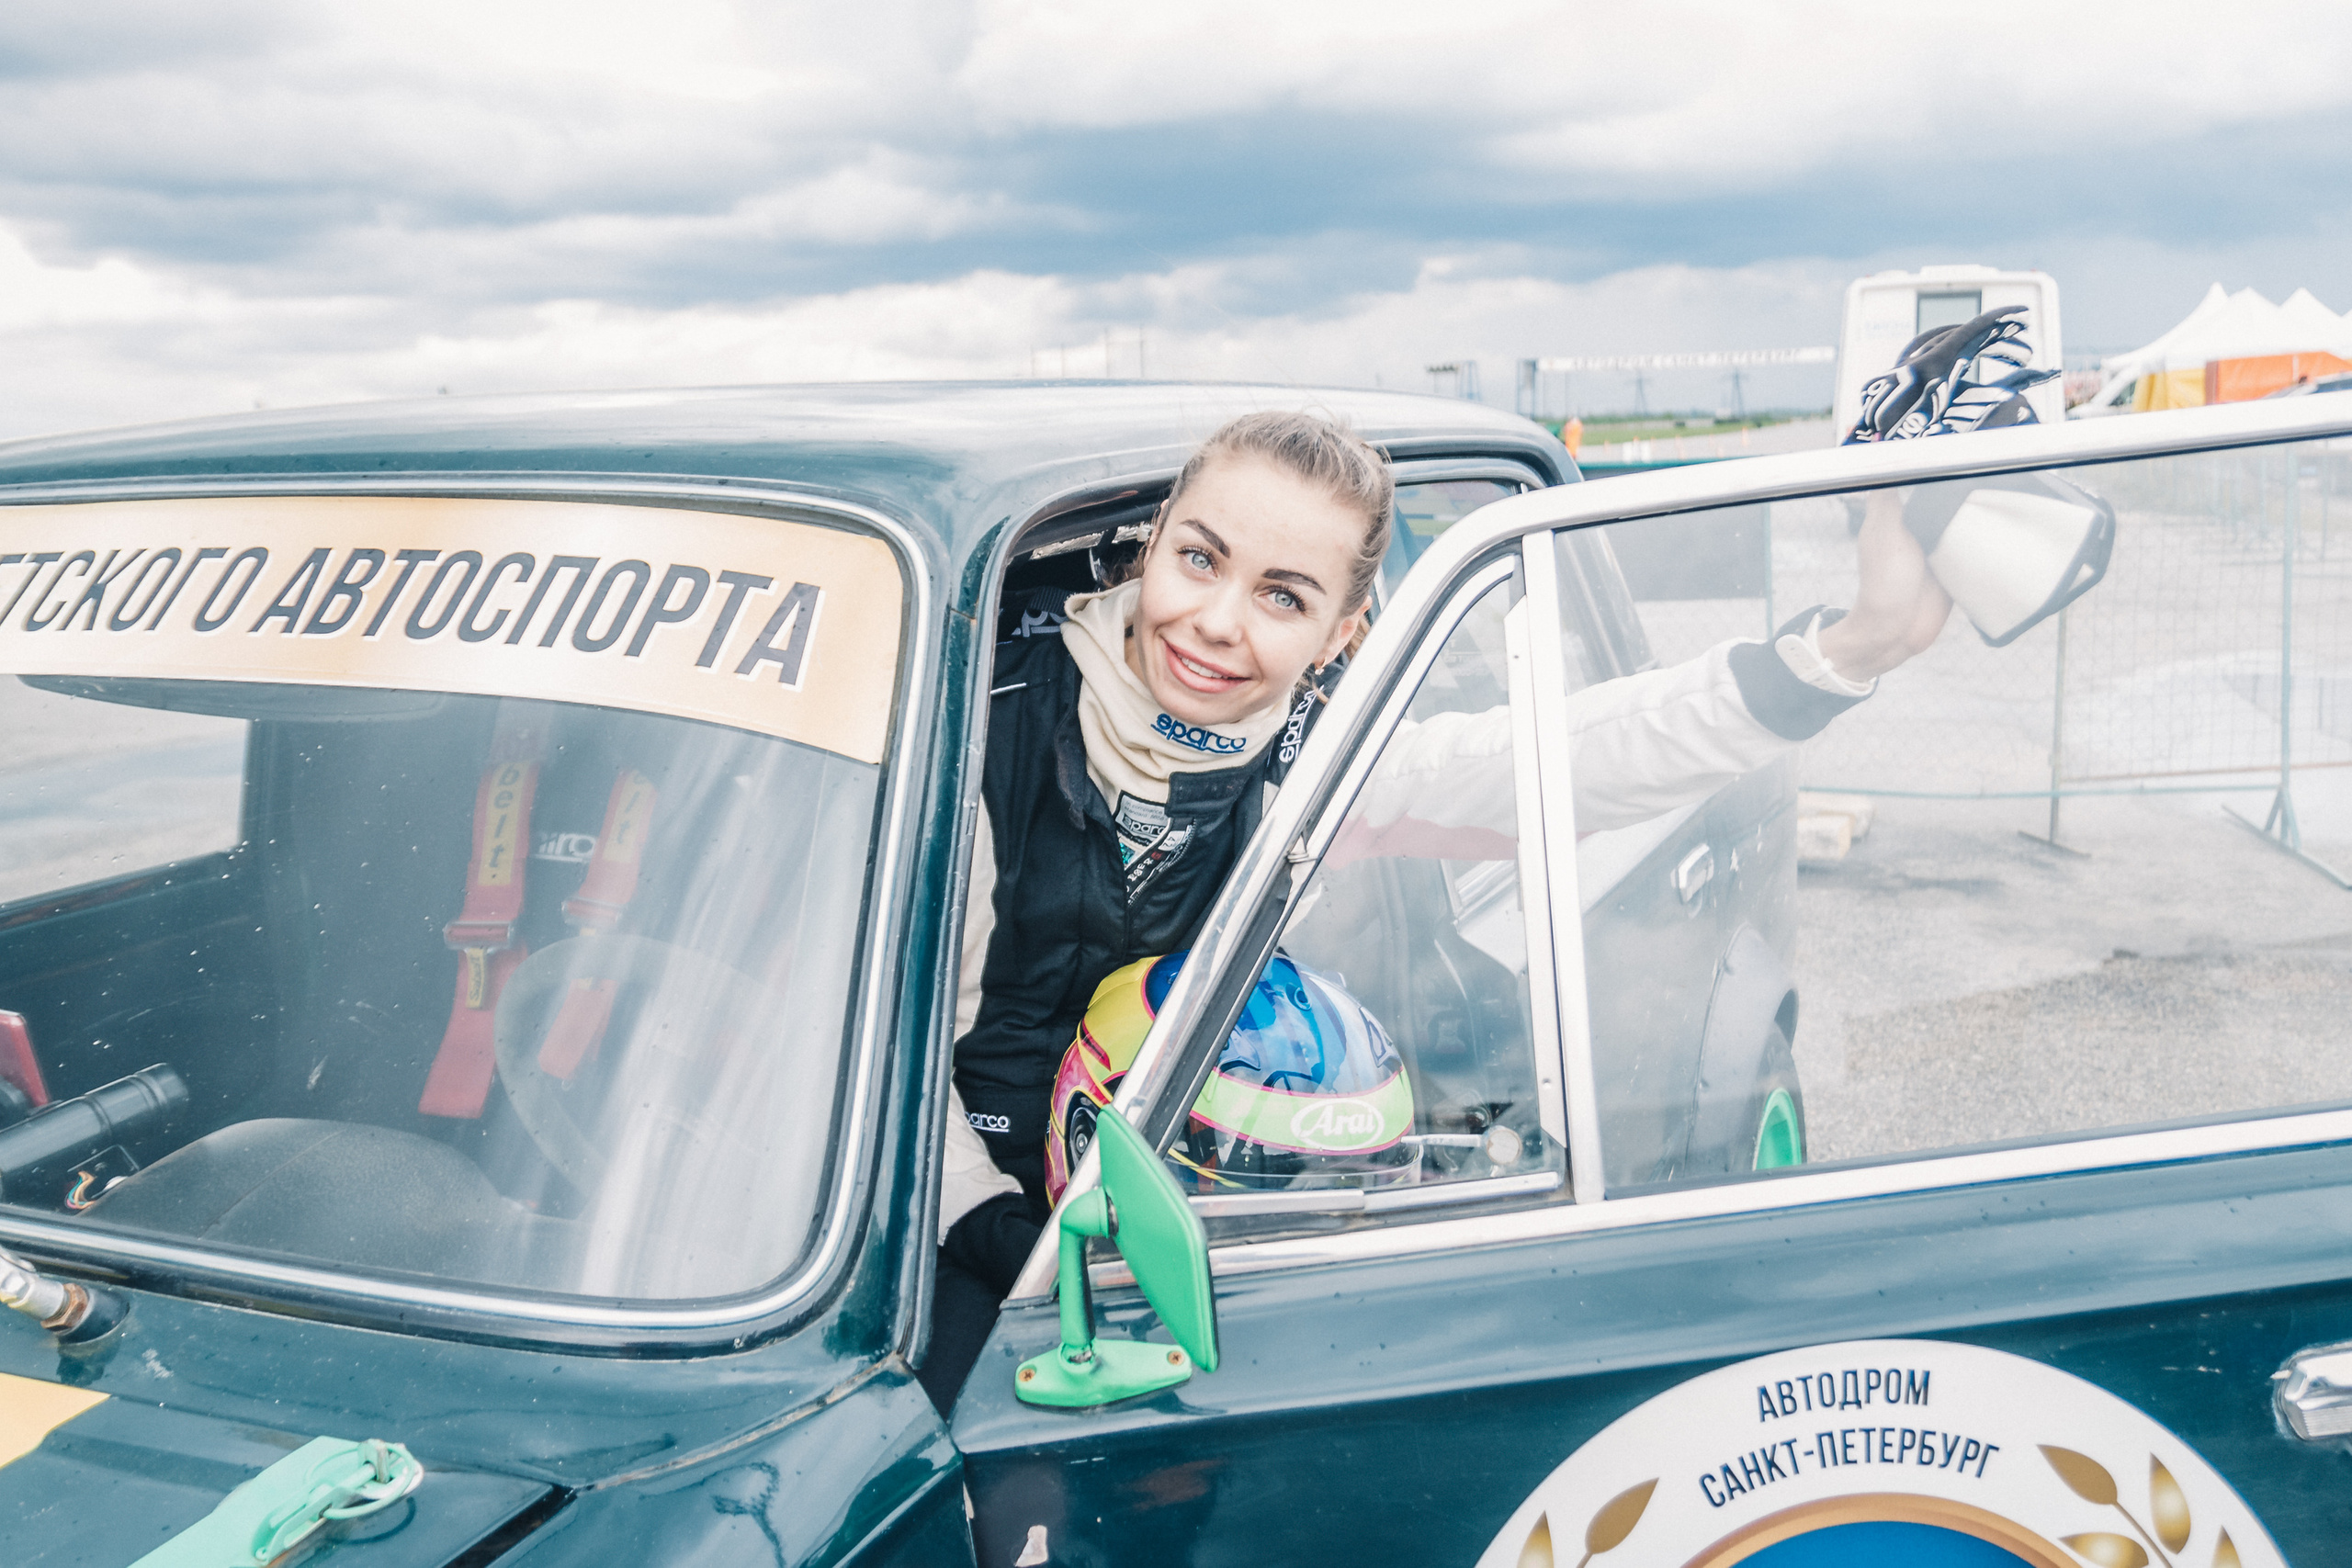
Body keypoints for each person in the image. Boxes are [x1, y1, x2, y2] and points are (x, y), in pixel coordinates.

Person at [918, 412, 1952, 1411]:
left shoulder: (1327, 759)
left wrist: (1849, 648)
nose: (1218, 622)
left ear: (1342, 632)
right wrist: (994, 1225)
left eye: (1282, 597)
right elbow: (871, 1047)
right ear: (1152, 551)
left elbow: (1571, 753)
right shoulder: (968, 718)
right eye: (1199, 560)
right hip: (943, 1193)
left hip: (1202, 1195)